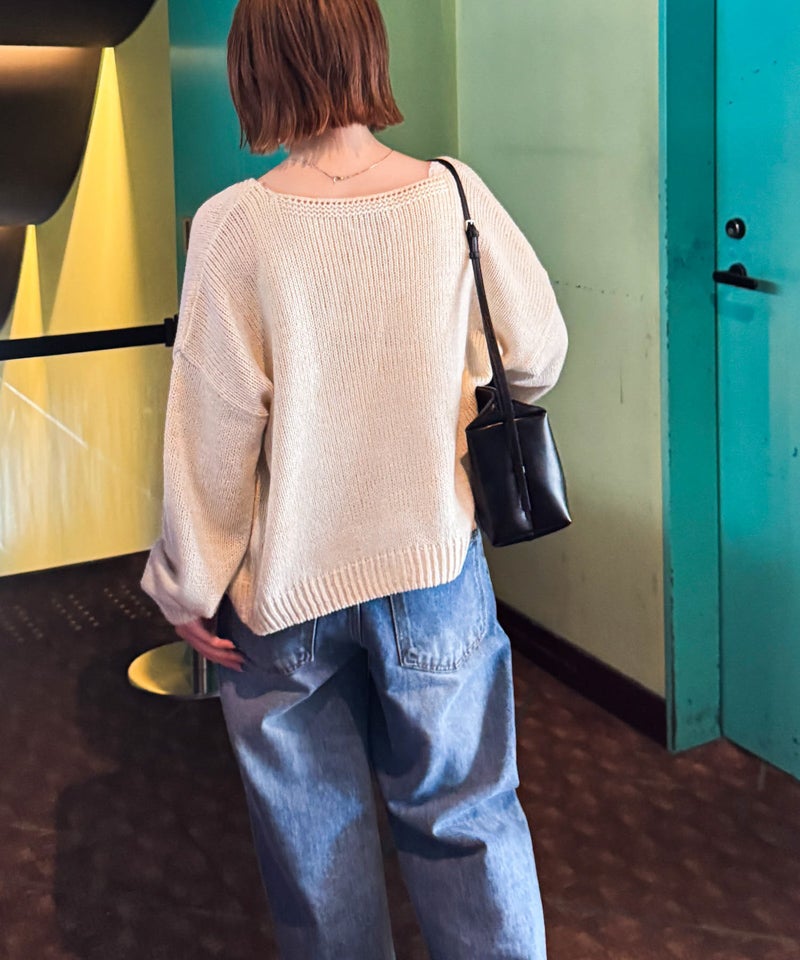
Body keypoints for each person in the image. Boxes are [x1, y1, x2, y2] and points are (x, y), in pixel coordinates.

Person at [141, 0, 568, 957]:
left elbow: (212, 436)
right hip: (433, 569)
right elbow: (536, 354)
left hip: (287, 590)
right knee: (468, 821)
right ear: (369, 51)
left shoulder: (234, 225)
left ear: (254, 67)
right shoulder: (452, 194)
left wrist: (184, 587)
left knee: (317, 852)